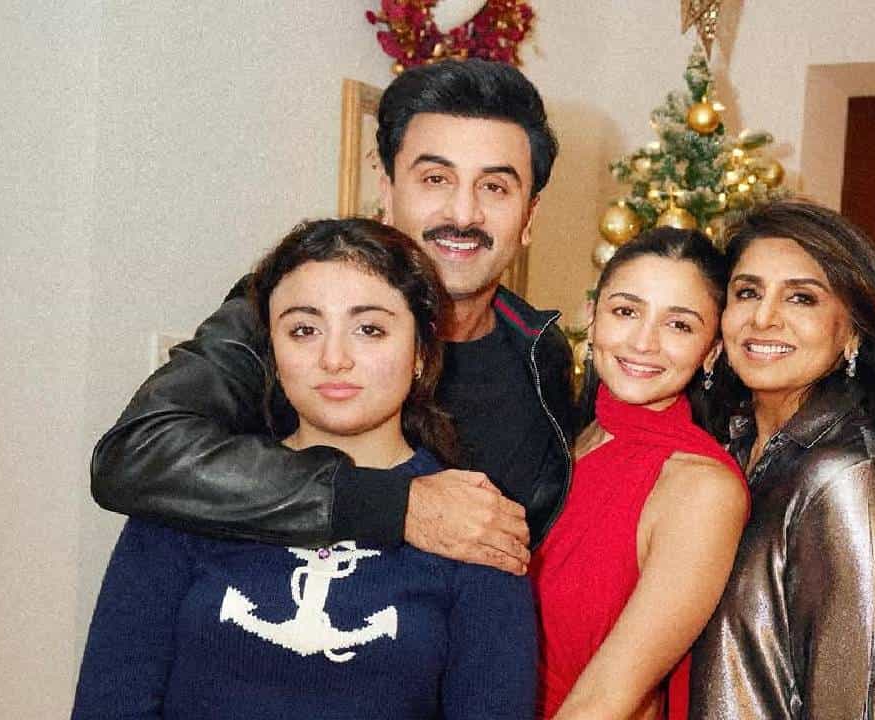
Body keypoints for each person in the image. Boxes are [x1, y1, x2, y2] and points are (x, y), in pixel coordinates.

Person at [89, 59, 571, 574]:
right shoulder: (285, 315)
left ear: (529, 216)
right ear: (386, 192)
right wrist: (396, 505)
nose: (463, 214)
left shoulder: (541, 356)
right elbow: (136, 453)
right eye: (435, 179)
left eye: (494, 187)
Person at [72, 219, 536, 719]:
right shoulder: (187, 495)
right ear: (272, 354)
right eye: (304, 330)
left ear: (421, 351)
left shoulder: (475, 526)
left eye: (370, 329)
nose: (334, 358)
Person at [690, 199, 875, 720]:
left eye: (801, 298)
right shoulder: (729, 448)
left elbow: (855, 706)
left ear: (853, 331)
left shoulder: (845, 479)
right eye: (747, 292)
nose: (763, 318)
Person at [530, 228, 749, 719]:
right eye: (626, 312)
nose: (644, 342)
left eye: (679, 325)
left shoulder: (701, 488)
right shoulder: (567, 440)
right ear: (592, 318)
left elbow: (609, 698)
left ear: (712, 351)